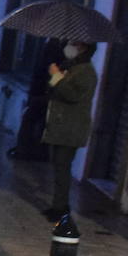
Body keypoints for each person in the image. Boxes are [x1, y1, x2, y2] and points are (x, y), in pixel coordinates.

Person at [40, 40, 98, 222]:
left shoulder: (86, 71)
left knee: (63, 167)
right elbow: (55, 89)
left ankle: (61, 207)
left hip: (70, 127)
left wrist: (57, 77)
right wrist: (56, 76)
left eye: (74, 43)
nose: (69, 46)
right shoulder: (71, 67)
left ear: (83, 48)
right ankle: (58, 204)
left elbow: (73, 95)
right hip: (59, 125)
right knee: (58, 167)